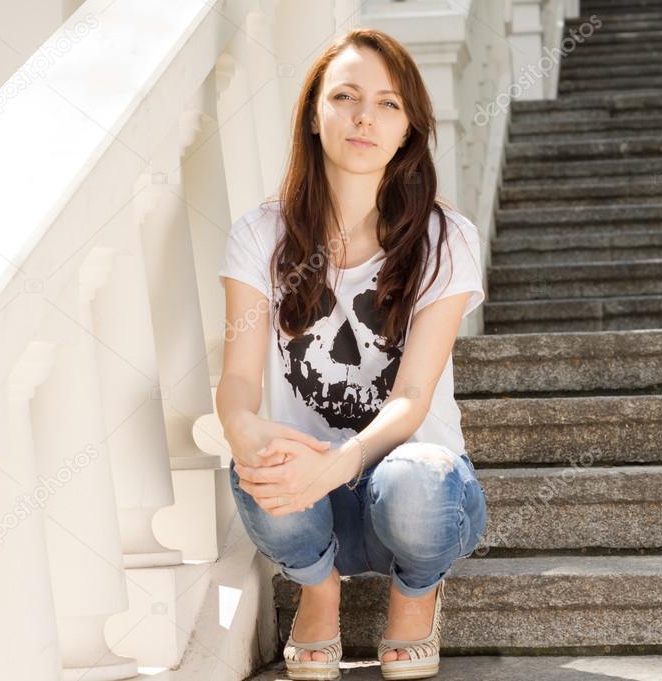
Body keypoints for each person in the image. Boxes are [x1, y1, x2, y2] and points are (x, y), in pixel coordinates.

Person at [215, 27, 488, 681]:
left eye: (388, 103)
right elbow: (237, 379)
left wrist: (340, 461)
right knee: (258, 455)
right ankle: (318, 588)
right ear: (314, 115)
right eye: (344, 96)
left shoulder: (442, 237)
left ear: (408, 130)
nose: (364, 116)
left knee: (421, 475)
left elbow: (412, 396)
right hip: (308, 494)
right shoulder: (260, 235)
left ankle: (416, 591)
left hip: (413, 490)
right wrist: (244, 426)